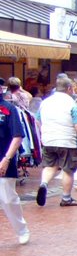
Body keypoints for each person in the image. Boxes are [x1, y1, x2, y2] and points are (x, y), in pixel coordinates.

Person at [36, 76, 77, 207]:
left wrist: (44, 132)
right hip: (67, 141)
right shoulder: (71, 104)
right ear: (69, 88)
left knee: (50, 166)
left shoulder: (45, 103)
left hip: (48, 140)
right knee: (68, 169)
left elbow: (37, 121)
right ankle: (66, 198)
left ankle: (44, 183)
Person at [0, 93, 30, 244]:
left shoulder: (9, 109)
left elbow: (18, 136)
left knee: (8, 199)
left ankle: (22, 230)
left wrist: (6, 159)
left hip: (4, 160)